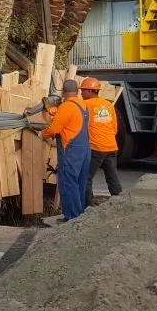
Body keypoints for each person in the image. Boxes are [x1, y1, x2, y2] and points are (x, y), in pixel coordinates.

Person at [41, 79, 91, 221]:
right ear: (77, 91)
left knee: (68, 183)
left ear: (63, 92)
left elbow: (55, 129)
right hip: (85, 150)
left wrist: (42, 134)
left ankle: (72, 218)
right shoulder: (83, 105)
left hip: (71, 149)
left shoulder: (66, 106)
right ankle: (79, 215)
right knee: (80, 183)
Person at [80, 77, 122, 204]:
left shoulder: (85, 105)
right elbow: (114, 128)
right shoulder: (108, 105)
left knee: (86, 177)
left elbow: (80, 126)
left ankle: (87, 205)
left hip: (96, 148)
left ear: (90, 91)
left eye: (83, 90)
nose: (81, 93)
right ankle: (119, 201)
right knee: (112, 176)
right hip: (111, 146)